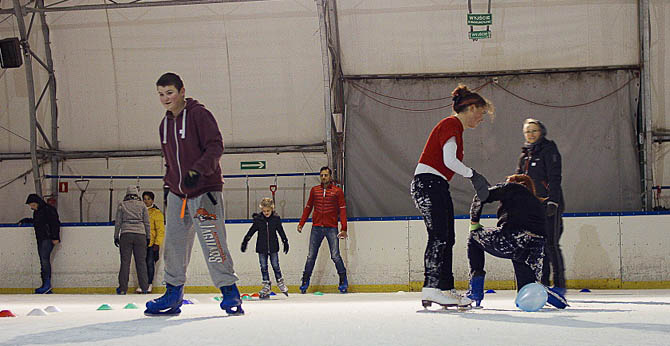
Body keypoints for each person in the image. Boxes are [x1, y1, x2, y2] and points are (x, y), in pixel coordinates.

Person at [145, 72, 243, 316]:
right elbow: (169, 161)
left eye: (169, 92)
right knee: (174, 246)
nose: (166, 98)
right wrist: (169, 187)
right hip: (177, 195)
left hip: (204, 191)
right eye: (161, 94)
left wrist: (198, 171)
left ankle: (230, 291)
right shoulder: (164, 125)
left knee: (213, 242)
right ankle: (173, 293)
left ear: (182, 91)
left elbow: (215, 145)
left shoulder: (199, 115)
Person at [410, 84, 493, 309]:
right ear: (471, 107)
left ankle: (444, 288)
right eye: (481, 113)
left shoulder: (455, 128)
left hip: (436, 185)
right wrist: (473, 175)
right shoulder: (451, 124)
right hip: (428, 184)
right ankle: (432, 287)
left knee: (447, 237)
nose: (482, 118)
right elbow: (449, 161)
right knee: (439, 236)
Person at [466, 174, 567, 309]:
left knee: (474, 238)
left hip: (515, 239)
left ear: (516, 183)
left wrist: (474, 222)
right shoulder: (536, 202)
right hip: (535, 247)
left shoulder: (512, 188)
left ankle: (475, 293)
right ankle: (556, 300)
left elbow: (481, 195)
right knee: (529, 289)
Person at [515, 118, 566, 295]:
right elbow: (519, 180)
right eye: (527, 131)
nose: (531, 134)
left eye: (534, 130)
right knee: (538, 245)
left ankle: (559, 284)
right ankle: (542, 283)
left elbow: (554, 177)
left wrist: (553, 201)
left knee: (551, 244)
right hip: (532, 208)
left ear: (541, 132)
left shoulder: (548, 150)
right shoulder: (525, 155)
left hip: (549, 204)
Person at [297, 166, 349, 294]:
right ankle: (305, 281)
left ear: (330, 176)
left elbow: (342, 209)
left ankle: (343, 280)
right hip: (316, 227)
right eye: (322, 175)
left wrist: (344, 228)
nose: (324, 177)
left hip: (331, 227)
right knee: (311, 256)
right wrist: (301, 223)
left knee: (335, 255)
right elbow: (308, 207)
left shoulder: (337, 192)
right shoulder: (315, 191)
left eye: (326, 175)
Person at [241, 198, 290, 298]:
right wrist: (246, 240)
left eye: (268, 211)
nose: (266, 213)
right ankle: (266, 284)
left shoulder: (276, 219)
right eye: (264, 211)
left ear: (272, 209)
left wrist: (285, 241)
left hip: (273, 247)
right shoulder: (258, 220)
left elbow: (280, 231)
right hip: (261, 247)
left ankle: (280, 282)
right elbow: (252, 231)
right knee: (263, 267)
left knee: (275, 265)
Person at [114, 186, 151, 295]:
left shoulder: (122, 205)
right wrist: (148, 237)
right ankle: (144, 288)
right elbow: (147, 223)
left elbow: (118, 223)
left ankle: (122, 289)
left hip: (126, 234)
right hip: (140, 235)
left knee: (125, 262)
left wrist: (116, 236)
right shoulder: (142, 205)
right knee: (141, 262)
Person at [23, 194, 61, 294]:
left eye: (32, 205)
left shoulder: (48, 209)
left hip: (47, 238)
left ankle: (47, 285)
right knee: (43, 261)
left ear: (37, 202)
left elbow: (55, 223)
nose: (32, 207)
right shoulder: (37, 212)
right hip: (41, 239)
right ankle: (45, 284)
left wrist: (55, 237)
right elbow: (37, 222)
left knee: (44, 260)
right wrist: (26, 220)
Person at [133, 191, 165, 294]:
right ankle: (142, 283)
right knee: (141, 264)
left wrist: (157, 243)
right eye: (145, 199)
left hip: (151, 243)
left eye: (148, 199)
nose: (146, 201)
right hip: (141, 241)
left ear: (152, 200)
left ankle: (149, 283)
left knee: (150, 263)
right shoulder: (139, 211)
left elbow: (160, 229)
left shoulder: (156, 213)